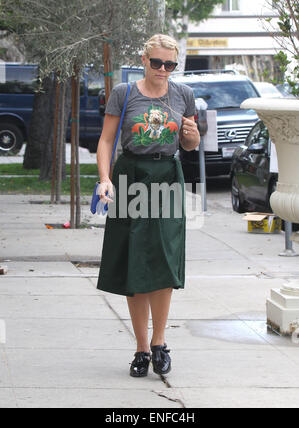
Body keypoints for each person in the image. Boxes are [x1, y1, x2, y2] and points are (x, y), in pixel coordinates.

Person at [96, 34, 200, 377]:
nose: (163, 69)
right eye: (157, 62)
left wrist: (191, 136)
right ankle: (141, 348)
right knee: (133, 260)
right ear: (144, 59)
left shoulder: (183, 95)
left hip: (168, 174)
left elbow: (190, 143)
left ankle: (159, 343)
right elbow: (107, 141)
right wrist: (105, 179)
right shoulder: (124, 94)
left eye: (170, 64)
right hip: (131, 176)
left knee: (165, 259)